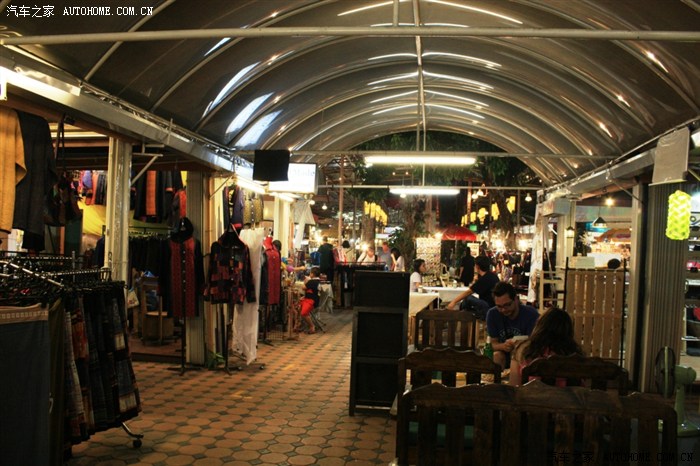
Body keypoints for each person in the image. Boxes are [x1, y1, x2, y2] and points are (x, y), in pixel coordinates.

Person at [509, 307, 582, 386]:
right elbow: (581, 389)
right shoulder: (575, 355)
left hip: (532, 394)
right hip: (565, 394)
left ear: (539, 326)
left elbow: (513, 387)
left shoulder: (522, 350)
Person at [486, 282, 539, 371]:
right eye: (499, 306)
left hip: (525, 356)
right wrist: (503, 346)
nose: (503, 310)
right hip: (504, 356)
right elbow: (492, 345)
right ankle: (497, 379)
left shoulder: (531, 314)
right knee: (497, 355)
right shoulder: (492, 314)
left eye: (507, 305)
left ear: (516, 299)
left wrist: (520, 344)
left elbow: (537, 344)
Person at [297, 266, 321, 334]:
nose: (309, 274)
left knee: (303, 313)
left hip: (311, 301)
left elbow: (303, 287)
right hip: (314, 300)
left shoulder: (312, 281)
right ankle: (299, 324)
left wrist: (305, 282)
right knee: (296, 306)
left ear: (312, 274)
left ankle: (312, 326)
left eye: (310, 273)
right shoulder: (318, 281)